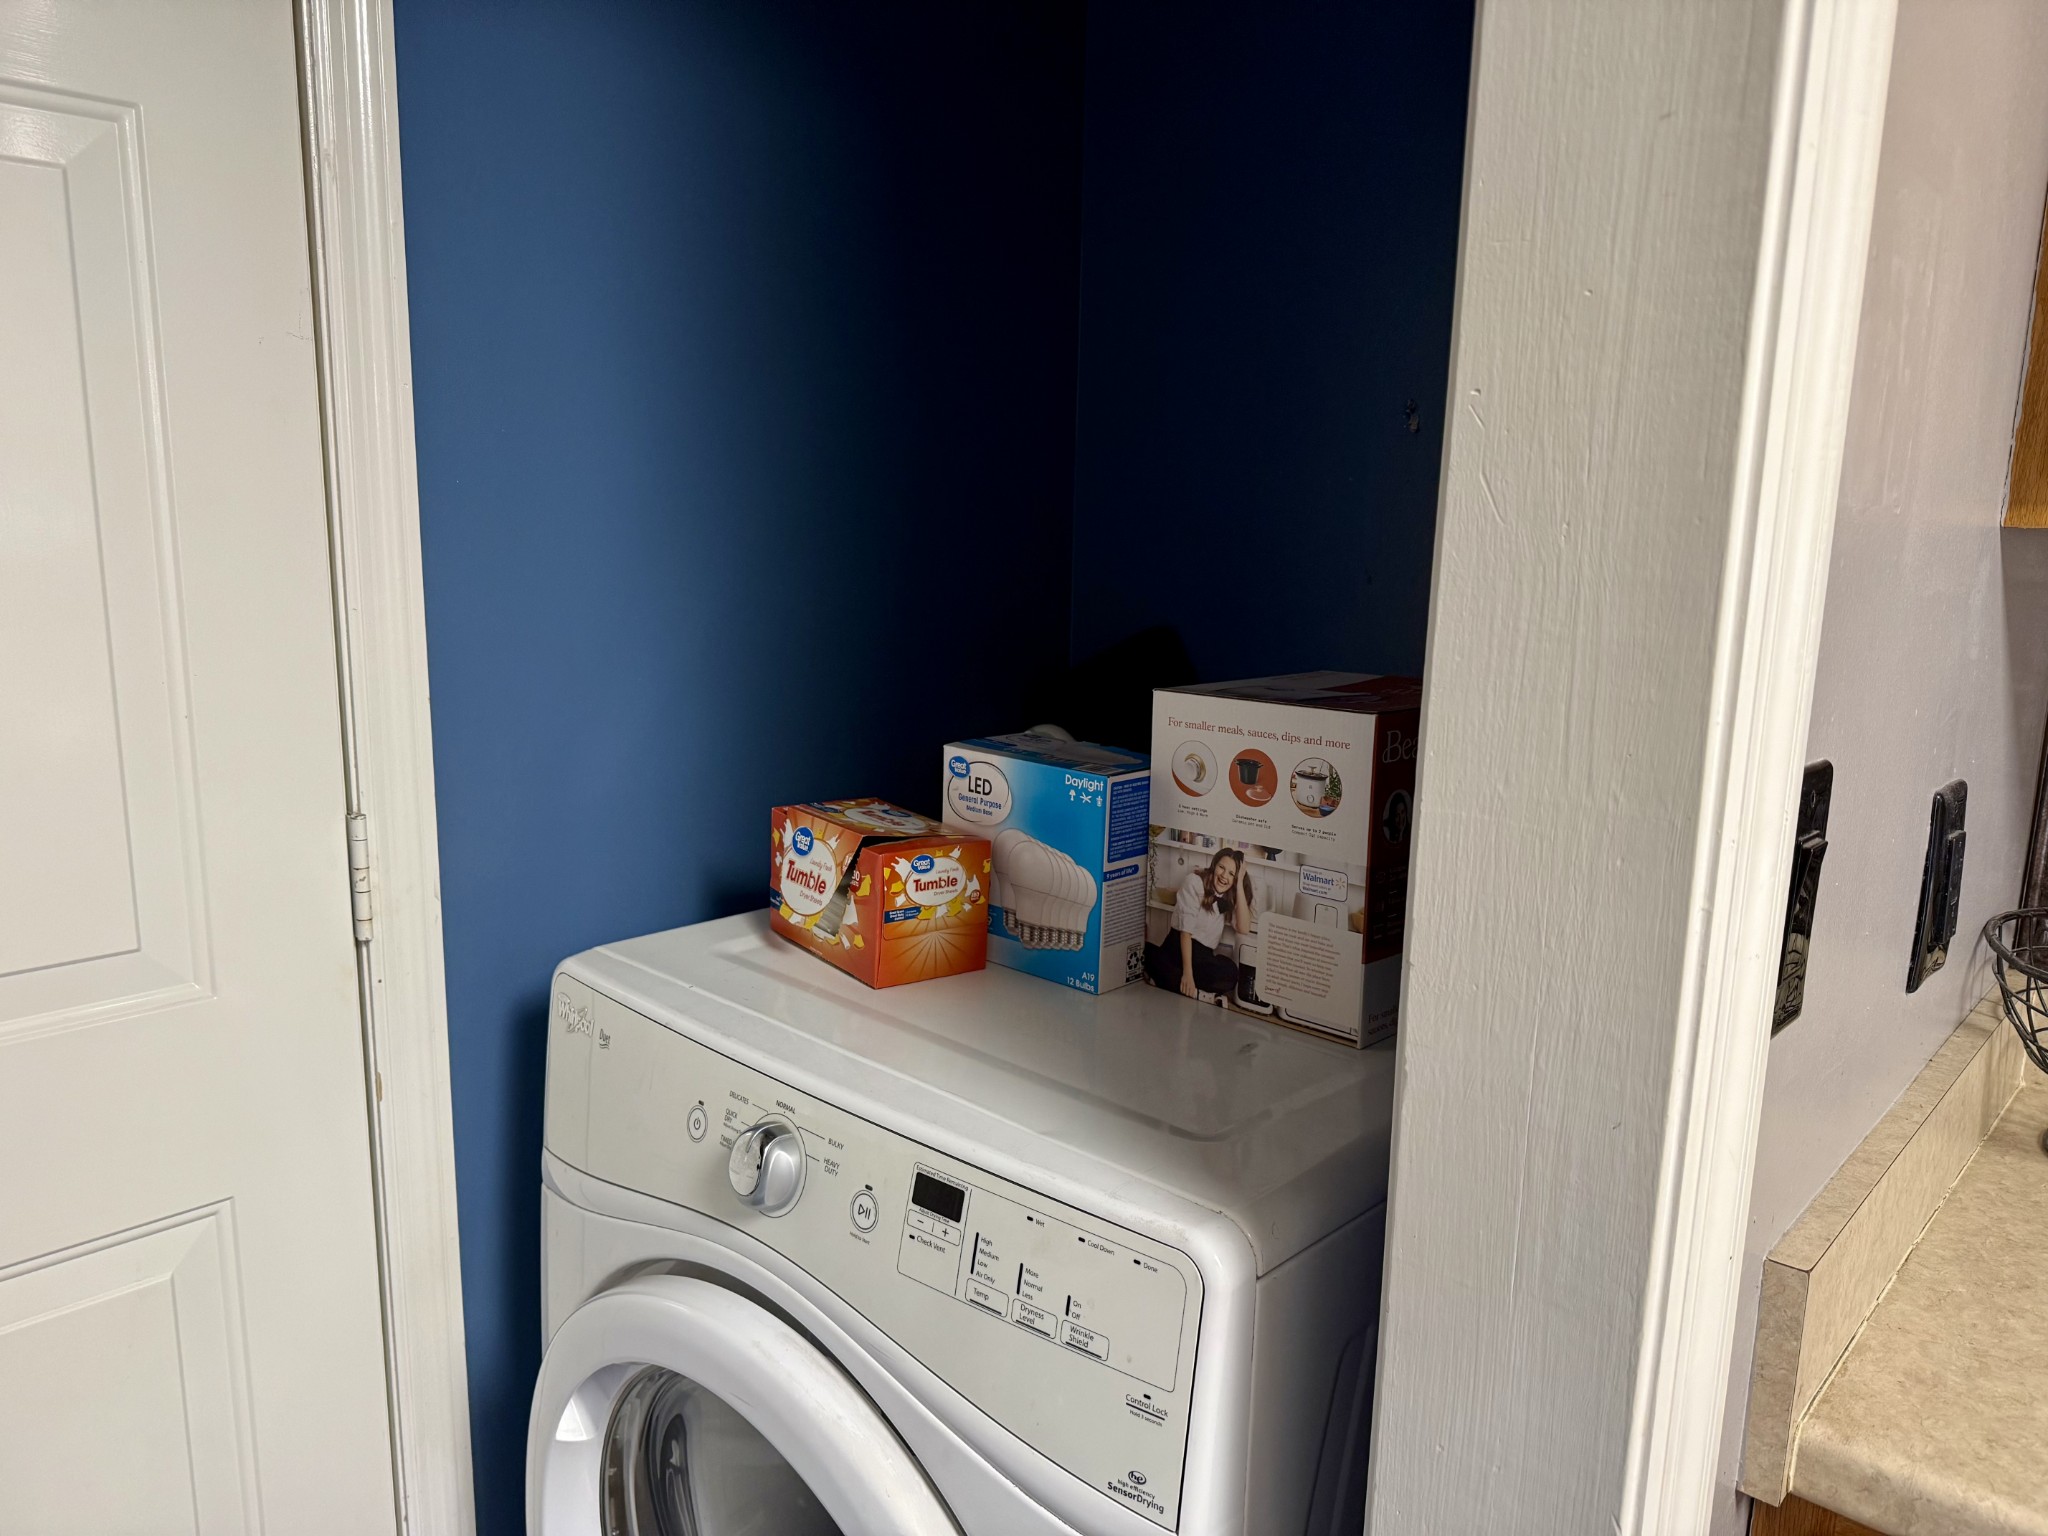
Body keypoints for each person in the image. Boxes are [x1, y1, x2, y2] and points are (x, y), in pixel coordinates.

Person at [1146, 847, 1254, 1000]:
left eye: (1232, 874)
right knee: (1144, 953)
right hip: (1177, 948)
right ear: (1214, 865)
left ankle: (1168, 982)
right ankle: (1193, 990)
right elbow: (1185, 932)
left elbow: (1243, 928)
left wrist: (1240, 884)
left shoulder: (1229, 896)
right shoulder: (1194, 882)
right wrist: (1187, 974)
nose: (1224, 876)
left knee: (1231, 973)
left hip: (1203, 958)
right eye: (1221, 868)